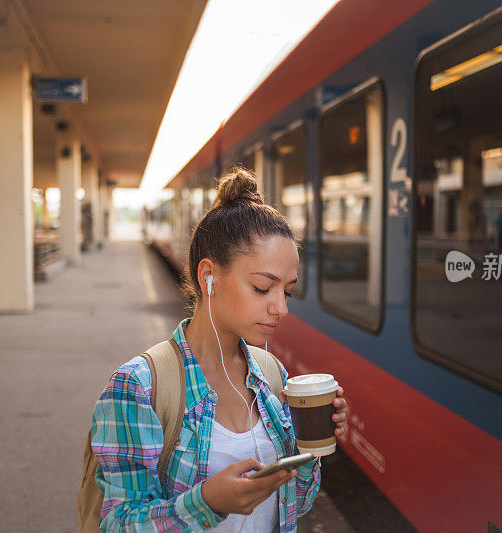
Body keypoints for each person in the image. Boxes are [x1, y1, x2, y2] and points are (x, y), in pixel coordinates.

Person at [90, 169, 348, 532]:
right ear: (208, 275)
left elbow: (295, 503)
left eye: (287, 291)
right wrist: (207, 502)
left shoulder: (271, 374)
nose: (281, 308)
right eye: (262, 288)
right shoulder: (138, 387)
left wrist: (312, 447)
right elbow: (118, 524)